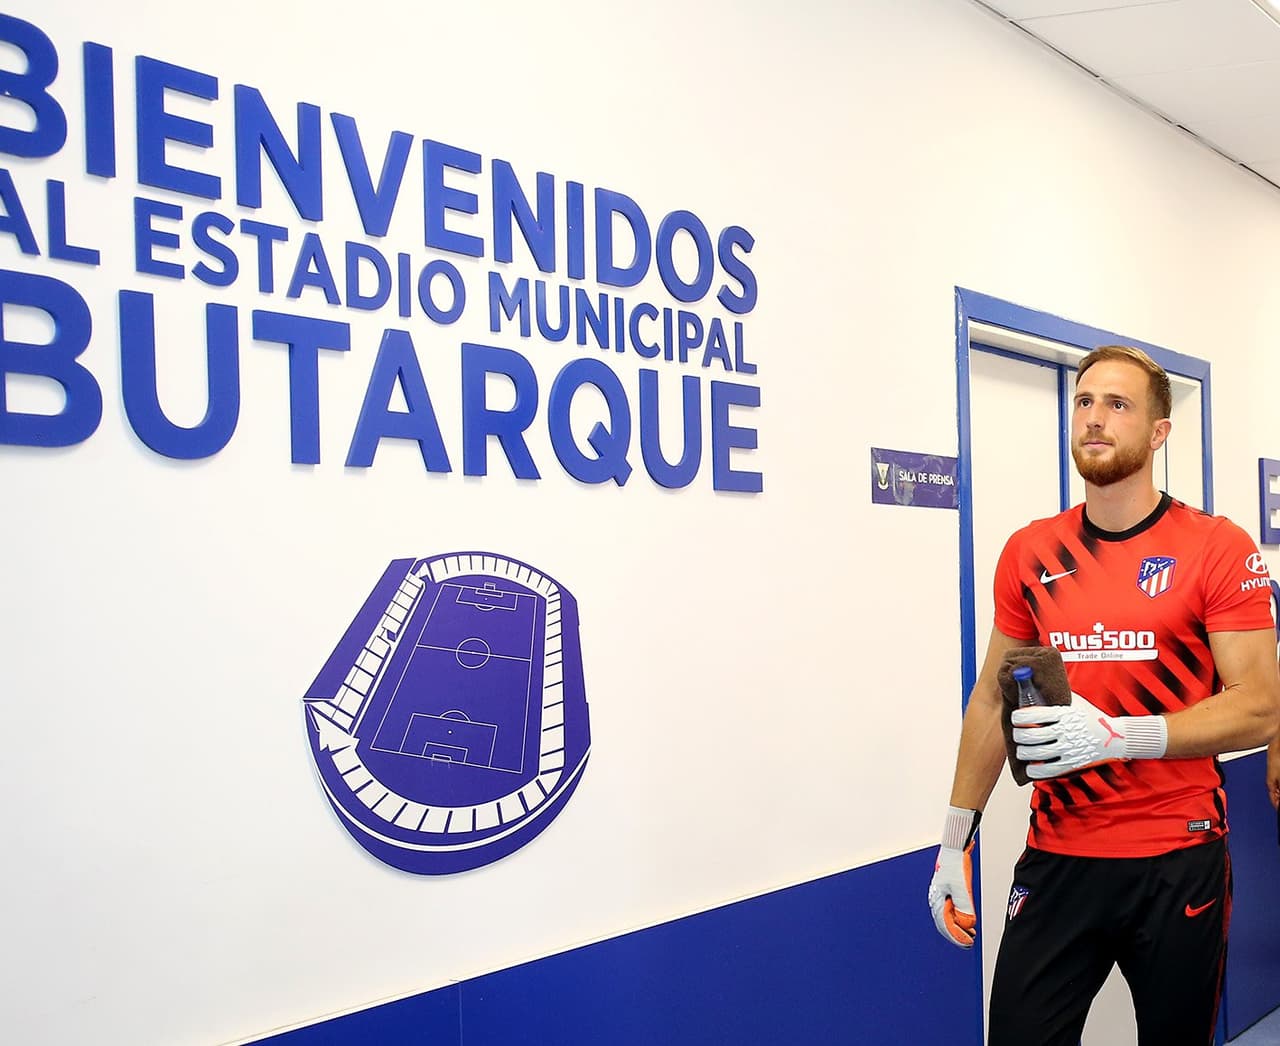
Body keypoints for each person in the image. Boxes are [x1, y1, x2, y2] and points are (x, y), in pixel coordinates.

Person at [927, 345, 1280, 1046]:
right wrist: (951, 842)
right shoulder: (1032, 550)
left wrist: (1127, 735)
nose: (1094, 418)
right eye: (1084, 402)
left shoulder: (1212, 546)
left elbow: (1261, 703)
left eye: (1117, 404)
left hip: (1176, 857)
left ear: (1158, 432)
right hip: (1059, 854)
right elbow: (993, 702)